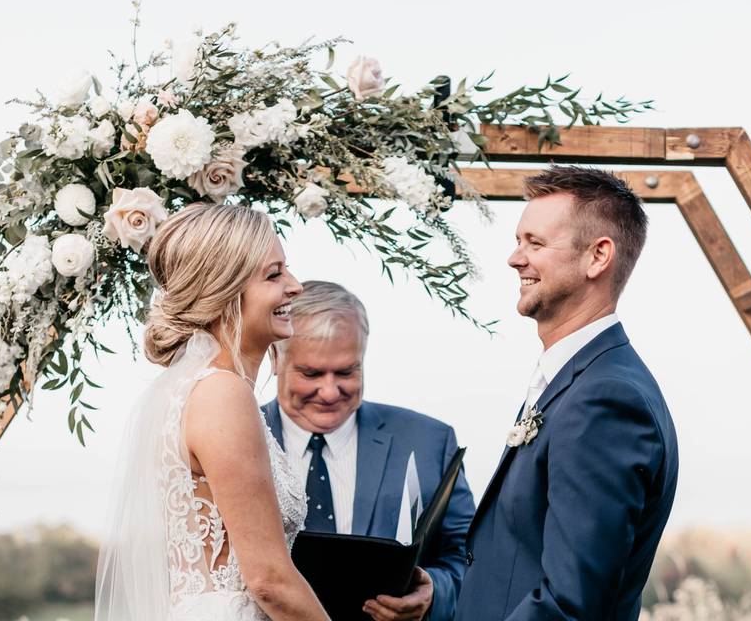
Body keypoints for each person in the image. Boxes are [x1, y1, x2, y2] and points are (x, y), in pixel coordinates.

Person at [454, 166, 679, 620]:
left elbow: (570, 603)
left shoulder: (607, 399)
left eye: (534, 243)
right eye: (519, 241)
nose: (515, 259)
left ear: (598, 257)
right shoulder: (578, 381)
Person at [94, 203, 330, 621]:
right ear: (224, 291)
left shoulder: (197, 390)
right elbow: (269, 581)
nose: (294, 286)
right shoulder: (222, 395)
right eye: (274, 275)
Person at [263, 280, 475, 621]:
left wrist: (433, 593)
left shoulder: (429, 443)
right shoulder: (236, 438)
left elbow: (471, 559)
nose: (330, 392)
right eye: (311, 373)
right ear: (275, 356)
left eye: (347, 371)